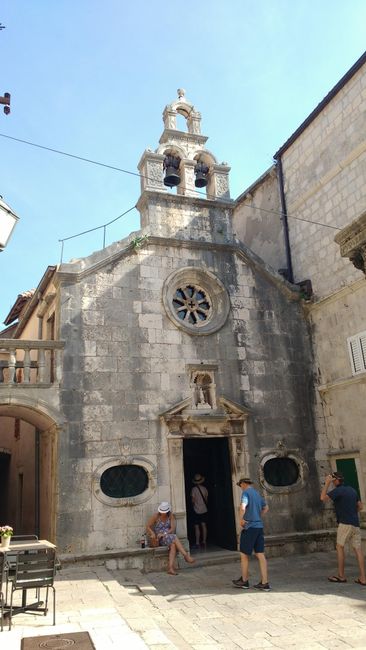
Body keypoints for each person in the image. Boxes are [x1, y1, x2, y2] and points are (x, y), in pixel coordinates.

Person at [320, 471, 366, 585]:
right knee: (358, 550)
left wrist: (326, 483)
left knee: (339, 547)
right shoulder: (352, 489)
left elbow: (322, 498)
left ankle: (341, 576)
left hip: (345, 524)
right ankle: (363, 578)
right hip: (355, 523)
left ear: (335, 480)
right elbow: (360, 507)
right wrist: (351, 513)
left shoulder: (338, 491)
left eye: (332, 480)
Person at [232, 477, 270, 591]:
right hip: (259, 527)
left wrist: (241, 519)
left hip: (250, 528)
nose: (241, 487)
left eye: (240, 485)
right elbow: (266, 508)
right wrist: (258, 517)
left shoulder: (246, 493)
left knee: (244, 555)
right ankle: (265, 582)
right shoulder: (257, 494)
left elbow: (242, 507)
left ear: (243, 484)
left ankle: (244, 581)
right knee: (260, 554)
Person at [146, 501, 195, 575]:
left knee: (173, 545)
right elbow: (148, 526)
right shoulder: (156, 516)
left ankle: (170, 568)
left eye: (164, 511)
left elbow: (172, 528)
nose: (163, 513)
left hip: (167, 536)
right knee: (174, 537)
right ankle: (186, 556)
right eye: (162, 511)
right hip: (159, 539)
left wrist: (164, 534)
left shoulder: (170, 515)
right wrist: (152, 533)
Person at [191, 473, 208, 549]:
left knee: (197, 527)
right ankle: (204, 542)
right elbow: (206, 500)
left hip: (196, 510)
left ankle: (197, 543)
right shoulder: (205, 489)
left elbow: (193, 500)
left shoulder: (193, 489)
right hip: (204, 509)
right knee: (204, 526)